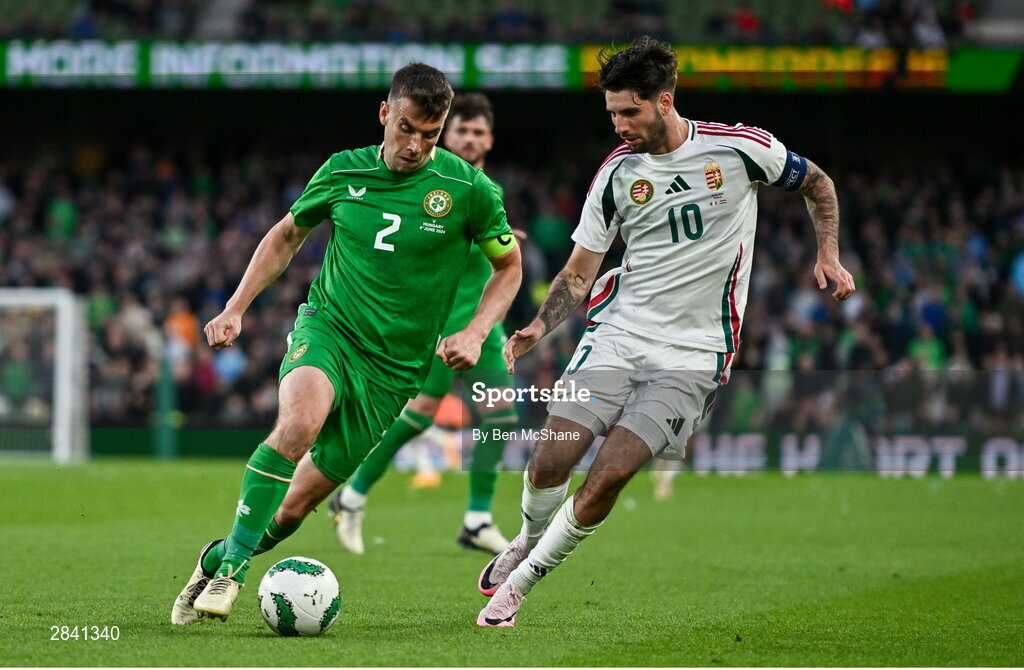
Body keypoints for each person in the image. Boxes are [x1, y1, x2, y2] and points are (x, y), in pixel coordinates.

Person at [475, 36, 855, 627]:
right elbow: (581, 272)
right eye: (612, 114)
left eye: (630, 112)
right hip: (618, 335)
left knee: (607, 480)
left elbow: (819, 184)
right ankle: (525, 537)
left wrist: (827, 253)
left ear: (664, 101)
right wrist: (535, 330)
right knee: (552, 458)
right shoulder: (616, 174)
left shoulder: (738, 149)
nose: (619, 125)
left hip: (696, 352)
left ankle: (522, 583)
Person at [170, 63, 522, 624]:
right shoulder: (341, 171)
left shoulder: (469, 189)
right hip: (330, 329)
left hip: (395, 370)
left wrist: (477, 330)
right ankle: (234, 570)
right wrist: (236, 307)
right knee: (299, 426)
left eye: (430, 135)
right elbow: (287, 235)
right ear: (385, 113)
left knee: (291, 510)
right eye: (406, 128)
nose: (415, 145)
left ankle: (214, 558)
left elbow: (509, 267)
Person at [329, 93, 520, 556]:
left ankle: (476, 519)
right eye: (461, 132)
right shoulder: (428, 186)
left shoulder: (479, 191)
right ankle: (350, 496)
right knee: (415, 417)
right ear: (445, 134)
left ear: (489, 139)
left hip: (480, 330)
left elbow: (504, 263)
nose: (469, 140)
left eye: (478, 133)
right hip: (435, 327)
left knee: (500, 420)